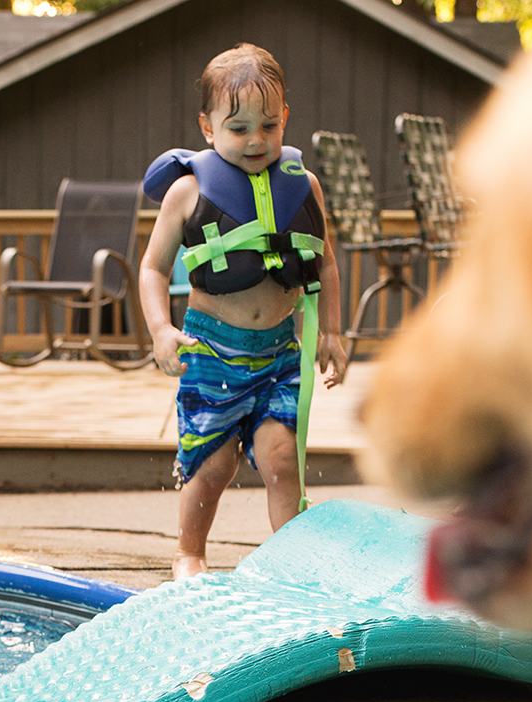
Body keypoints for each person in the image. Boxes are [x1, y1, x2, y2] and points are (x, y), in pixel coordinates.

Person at [138, 43, 346, 581]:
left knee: (282, 462)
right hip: (211, 350)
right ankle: (190, 554)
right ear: (207, 127)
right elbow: (153, 269)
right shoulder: (188, 192)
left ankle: (294, 566)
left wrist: (333, 333)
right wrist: (161, 330)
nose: (256, 140)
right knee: (213, 465)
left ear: (286, 121)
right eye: (238, 128)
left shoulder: (304, 186)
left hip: (280, 350)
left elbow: (325, 265)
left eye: (269, 125)